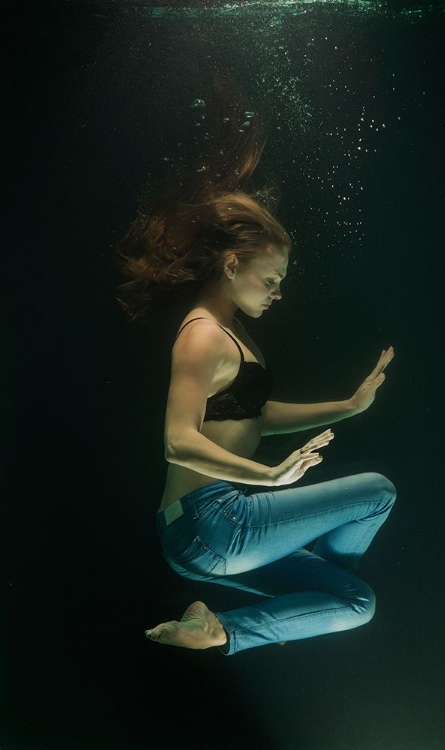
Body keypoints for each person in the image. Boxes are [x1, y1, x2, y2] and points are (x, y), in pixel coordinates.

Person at [115, 80, 396, 655]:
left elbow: (255, 418)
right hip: (215, 520)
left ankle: (222, 629)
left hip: (203, 536)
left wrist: (347, 405)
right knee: (377, 491)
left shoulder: (230, 336)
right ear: (232, 263)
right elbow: (176, 442)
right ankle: (305, 567)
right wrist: (268, 478)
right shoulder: (202, 337)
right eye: (270, 280)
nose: (276, 293)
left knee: (355, 602)